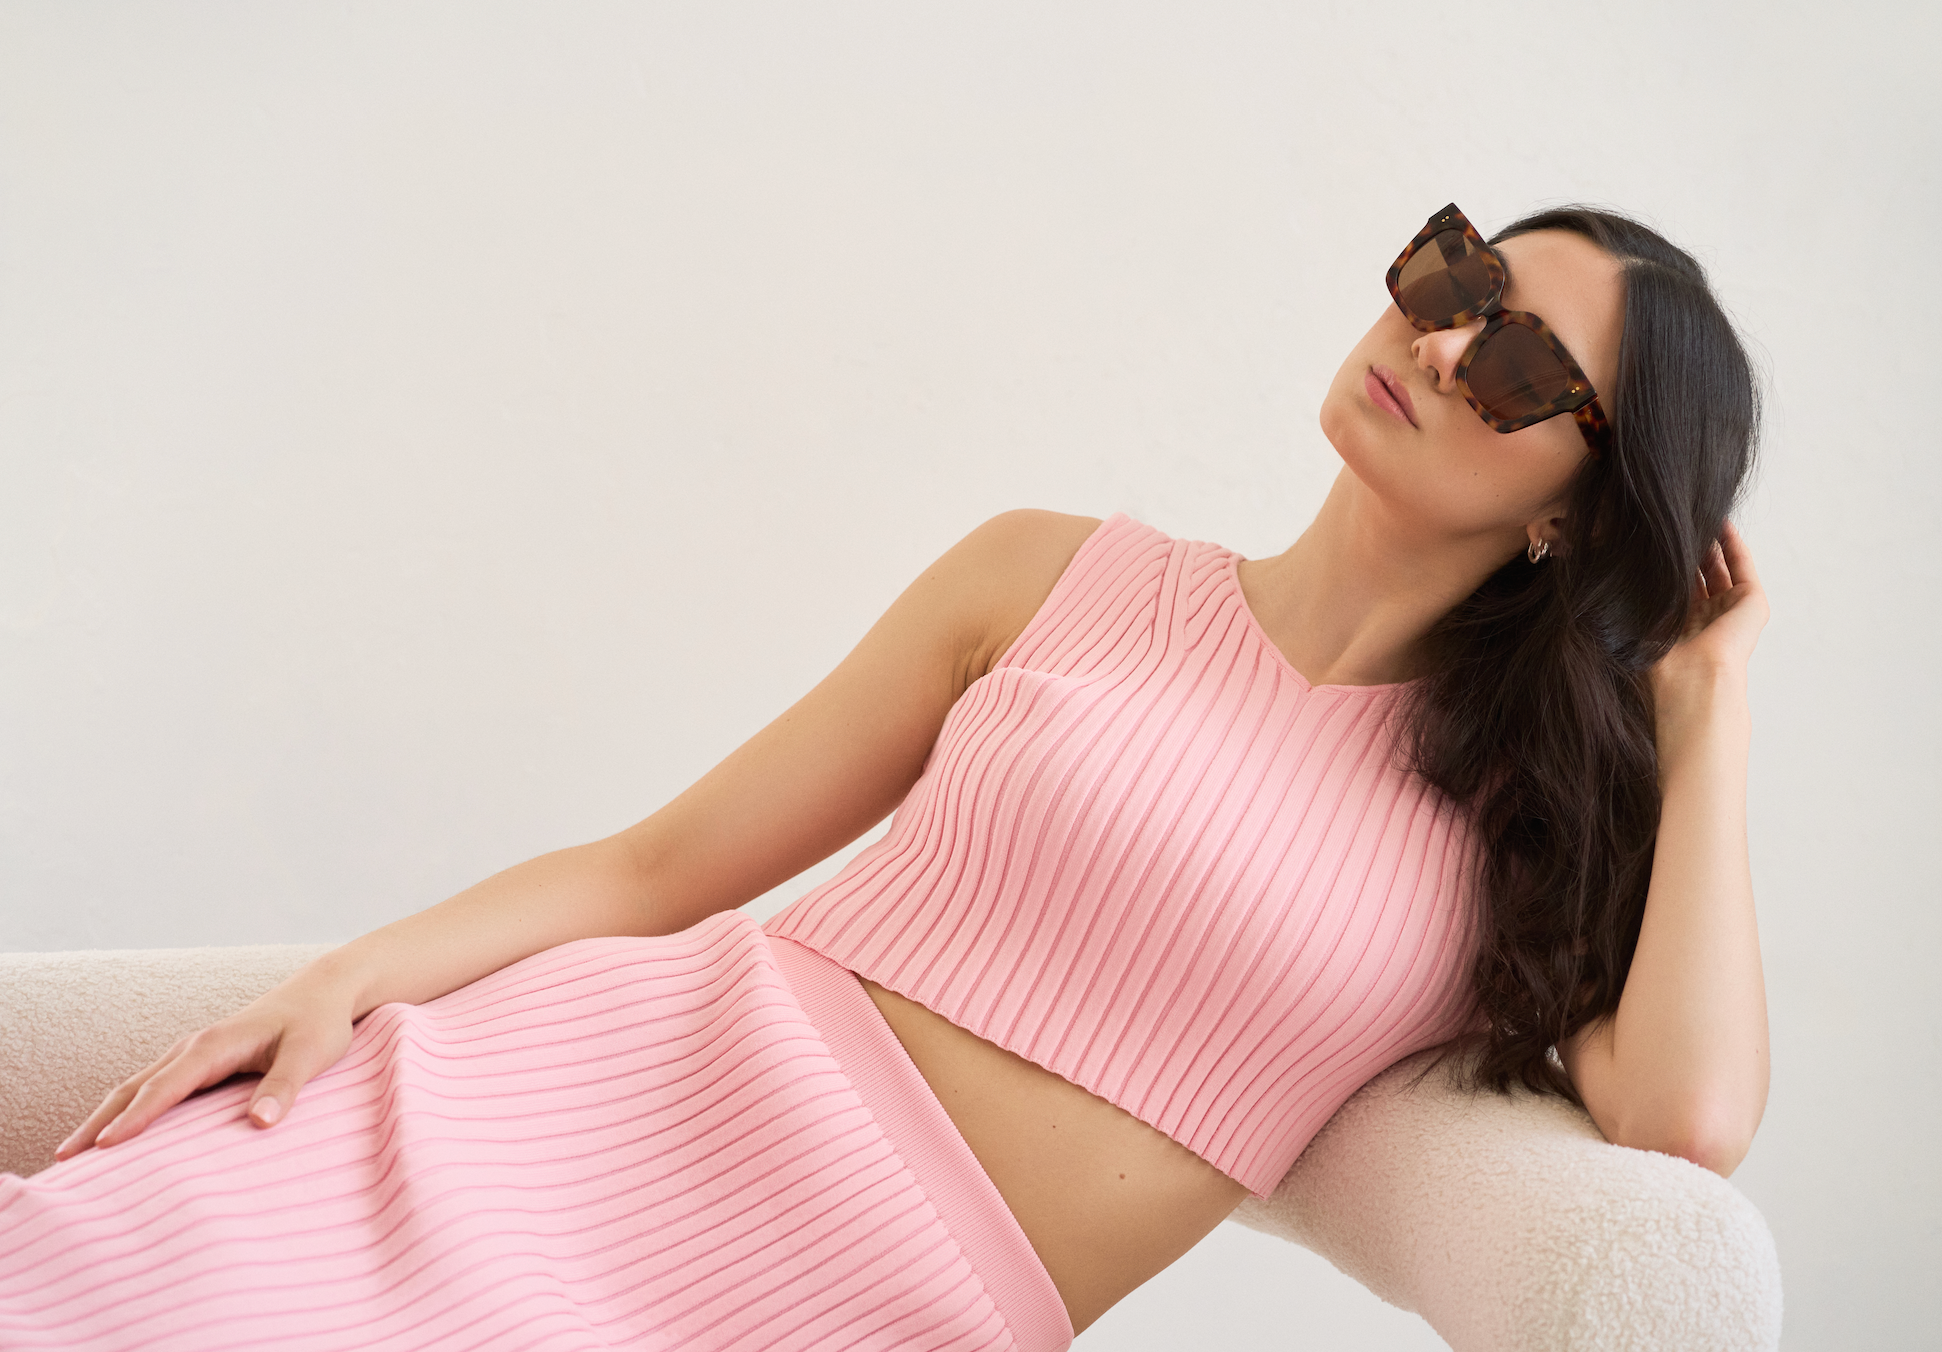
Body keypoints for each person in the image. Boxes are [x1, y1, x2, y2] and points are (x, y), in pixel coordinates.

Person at [3, 202, 1769, 1351]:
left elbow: (1680, 1124)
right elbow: (654, 869)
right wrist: (347, 978)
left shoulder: (1516, 824)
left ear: (1574, 511)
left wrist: (1709, 710)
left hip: (865, 1303)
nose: (1446, 342)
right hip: (546, 1121)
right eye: (1455, 275)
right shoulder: (1046, 571)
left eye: (1524, 360)